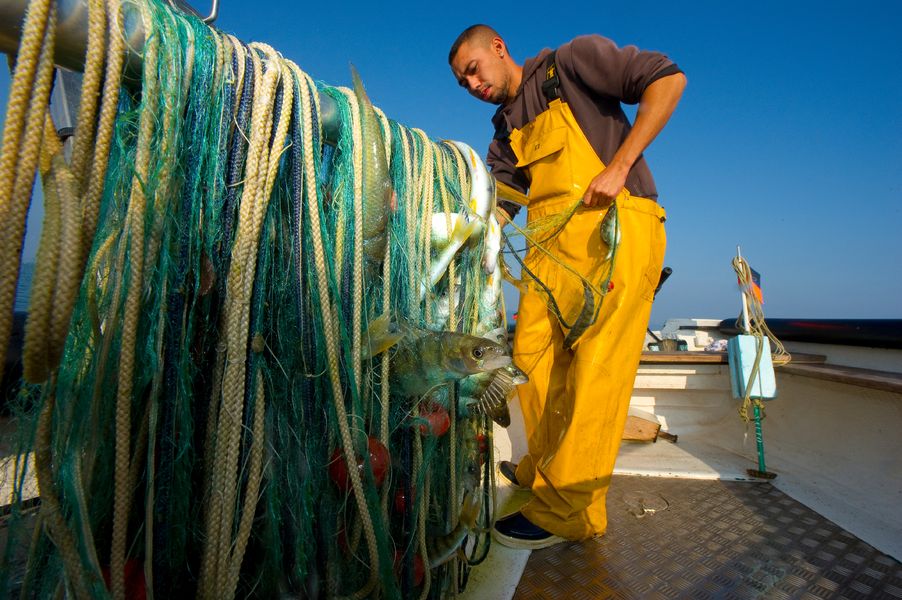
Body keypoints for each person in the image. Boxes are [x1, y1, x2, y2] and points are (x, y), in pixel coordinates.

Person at [448, 25, 685, 548]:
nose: (471, 84)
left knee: (596, 371)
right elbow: (499, 203)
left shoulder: (570, 63)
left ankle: (571, 510)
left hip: (616, 230)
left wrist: (620, 165)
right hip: (552, 251)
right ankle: (543, 469)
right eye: (461, 83)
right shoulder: (504, 127)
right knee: (529, 359)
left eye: (472, 69)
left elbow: (667, 79)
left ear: (498, 49)